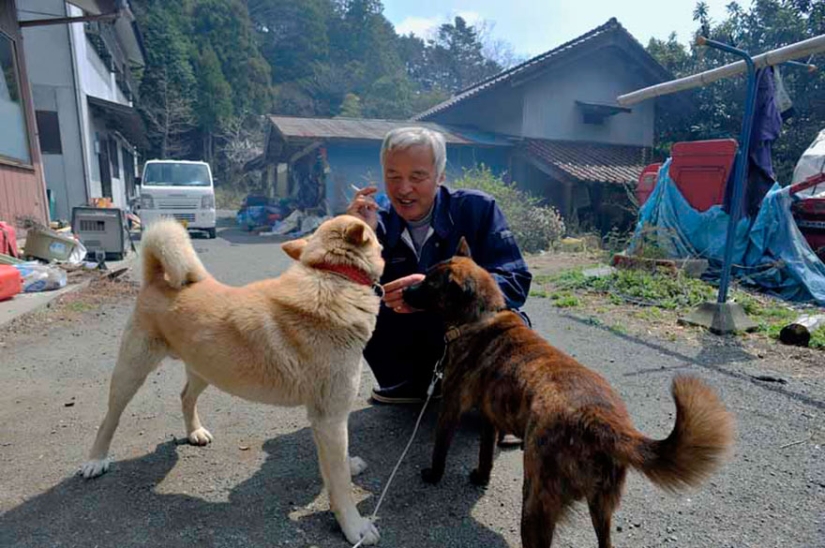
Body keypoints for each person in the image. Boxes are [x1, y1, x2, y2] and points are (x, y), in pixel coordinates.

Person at [347, 127, 532, 409]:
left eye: (417, 177)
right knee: (358, 311)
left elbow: (515, 279)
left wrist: (441, 290)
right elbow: (338, 295)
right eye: (393, 176)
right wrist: (355, 238)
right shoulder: (375, 223)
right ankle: (418, 383)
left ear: (440, 175)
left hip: (471, 332)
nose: (403, 188)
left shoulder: (478, 209)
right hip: (414, 339)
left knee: (512, 318)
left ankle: (503, 398)